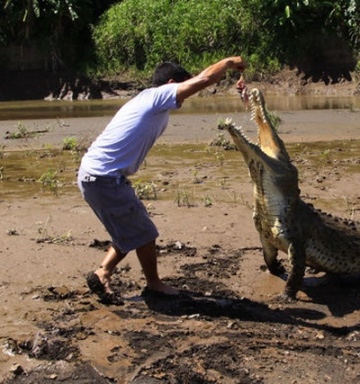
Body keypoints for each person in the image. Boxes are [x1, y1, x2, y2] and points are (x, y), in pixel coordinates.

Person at [78, 57, 247, 304]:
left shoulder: (149, 100)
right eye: (182, 87)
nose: (185, 95)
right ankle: (153, 284)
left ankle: (103, 272)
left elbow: (202, 77)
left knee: (130, 228)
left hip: (97, 175)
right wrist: (229, 62)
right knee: (145, 232)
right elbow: (205, 79)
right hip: (103, 177)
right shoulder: (157, 98)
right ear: (170, 84)